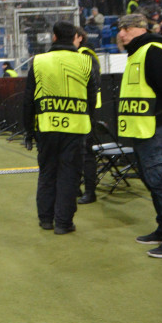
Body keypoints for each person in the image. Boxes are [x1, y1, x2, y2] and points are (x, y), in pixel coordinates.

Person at [23, 21, 97, 235]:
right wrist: (89, 123)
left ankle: (46, 219)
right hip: (76, 128)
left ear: (54, 37)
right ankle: (63, 223)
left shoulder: (39, 61)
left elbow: (28, 100)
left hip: (46, 126)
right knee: (69, 175)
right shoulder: (86, 61)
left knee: (47, 173)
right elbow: (92, 98)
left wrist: (29, 130)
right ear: (75, 37)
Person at [116, 13, 162, 258]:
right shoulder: (137, 53)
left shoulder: (153, 50)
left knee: (161, 181)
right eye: (120, 29)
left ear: (140, 28)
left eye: (126, 28)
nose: (121, 33)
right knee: (154, 181)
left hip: (157, 129)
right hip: (143, 130)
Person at [75, 26, 102, 205]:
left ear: (79, 38)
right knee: (76, 152)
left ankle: (90, 191)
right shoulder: (79, 55)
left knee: (86, 153)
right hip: (78, 109)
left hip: (86, 110)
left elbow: (93, 84)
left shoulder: (86, 55)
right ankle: (77, 187)